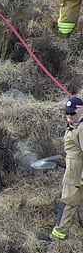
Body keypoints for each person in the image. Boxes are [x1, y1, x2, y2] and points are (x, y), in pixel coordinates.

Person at [43, 96, 83, 241]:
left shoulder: (82, 127)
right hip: (74, 168)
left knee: (67, 202)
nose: (69, 116)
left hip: (76, 172)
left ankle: (57, 236)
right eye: (67, 113)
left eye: (72, 113)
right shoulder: (76, 125)